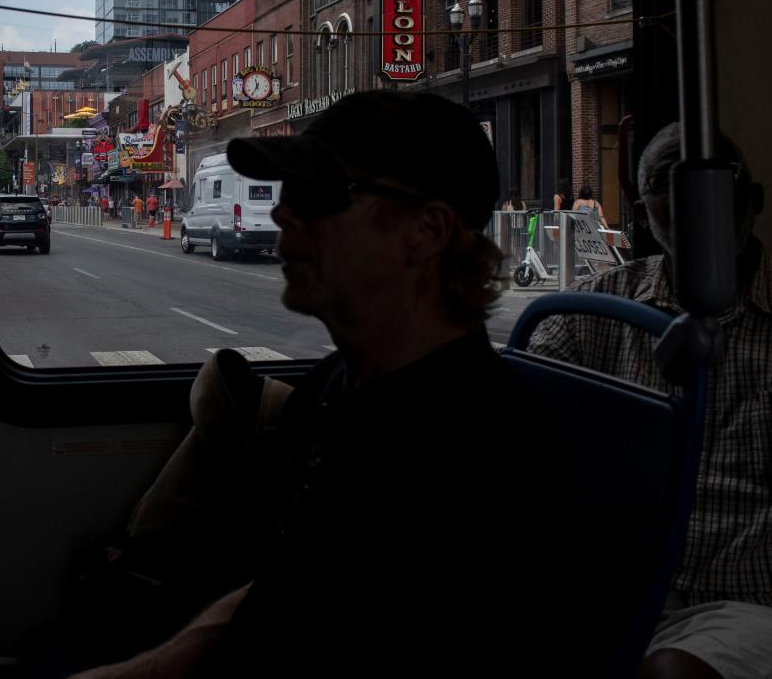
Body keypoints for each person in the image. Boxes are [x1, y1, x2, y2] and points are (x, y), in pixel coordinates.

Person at [68, 91, 609, 679]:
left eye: (318, 195)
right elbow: (281, 590)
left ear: (425, 232)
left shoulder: (478, 453)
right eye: (283, 193)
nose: (283, 214)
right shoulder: (337, 387)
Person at [528, 123, 772, 679]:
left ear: (753, 200)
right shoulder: (595, 309)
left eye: (718, 179)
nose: (695, 200)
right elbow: (521, 419)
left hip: (748, 597)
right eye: (669, 181)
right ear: (641, 212)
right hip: (616, 583)